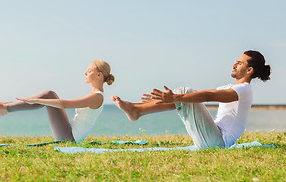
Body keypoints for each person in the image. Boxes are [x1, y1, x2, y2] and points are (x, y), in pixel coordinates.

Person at [112, 50, 271, 149]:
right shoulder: (232, 87)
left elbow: (208, 96)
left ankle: (136, 111)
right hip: (212, 139)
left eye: (240, 63)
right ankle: (136, 108)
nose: (234, 64)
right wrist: (170, 98)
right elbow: (202, 92)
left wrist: (175, 97)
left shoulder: (244, 90)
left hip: (217, 143)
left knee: (184, 93)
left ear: (249, 70)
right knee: (187, 94)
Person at [0, 60, 114, 143]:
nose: (85, 73)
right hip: (70, 131)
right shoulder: (96, 94)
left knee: (49, 95)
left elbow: (65, 104)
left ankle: (5, 108)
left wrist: (37, 100)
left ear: (99, 75)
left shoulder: (97, 97)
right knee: (49, 95)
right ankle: (5, 107)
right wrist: (39, 101)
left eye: (89, 71)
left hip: (70, 138)